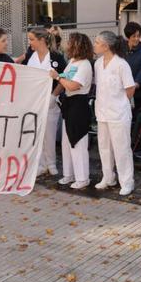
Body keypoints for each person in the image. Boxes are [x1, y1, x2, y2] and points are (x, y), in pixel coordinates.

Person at [15, 27, 67, 176]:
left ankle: (51, 163)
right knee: (36, 134)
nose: (29, 42)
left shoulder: (57, 57)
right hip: (33, 101)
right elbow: (16, 66)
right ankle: (40, 164)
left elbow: (63, 79)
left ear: (42, 40)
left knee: (49, 134)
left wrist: (53, 96)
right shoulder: (30, 54)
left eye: (32, 39)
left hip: (50, 101)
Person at [93, 31, 137, 196]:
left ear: (106, 46)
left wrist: (119, 104)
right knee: (104, 147)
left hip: (119, 113)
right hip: (102, 112)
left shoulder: (121, 64)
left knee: (121, 148)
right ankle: (108, 176)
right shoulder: (98, 64)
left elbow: (130, 88)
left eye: (97, 42)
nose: (95, 45)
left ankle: (127, 181)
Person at [49, 33, 93, 190]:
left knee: (78, 141)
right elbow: (64, 77)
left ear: (76, 45)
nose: (67, 45)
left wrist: (58, 78)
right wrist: (54, 95)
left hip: (79, 104)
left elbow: (73, 85)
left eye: (70, 43)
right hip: (69, 104)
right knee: (67, 142)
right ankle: (69, 174)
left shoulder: (85, 65)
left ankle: (83, 177)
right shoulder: (73, 61)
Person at [124, 22, 141, 110]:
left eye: (138, 36)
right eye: (133, 36)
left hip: (136, 92)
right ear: (128, 37)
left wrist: (135, 84)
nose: (136, 39)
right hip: (120, 91)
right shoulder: (120, 49)